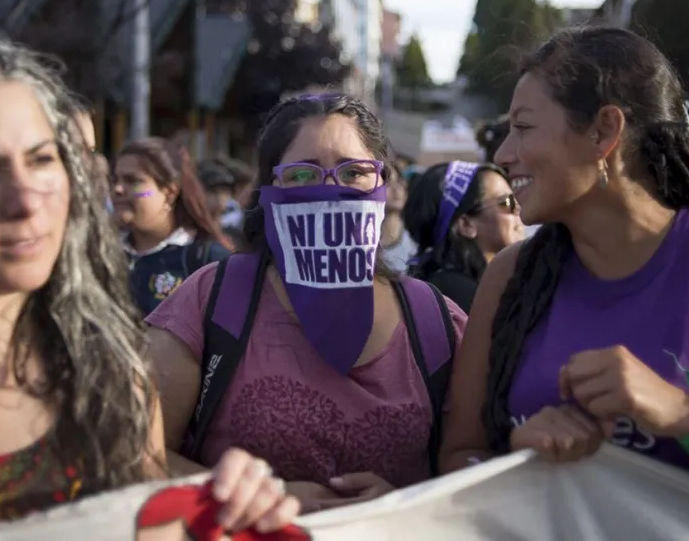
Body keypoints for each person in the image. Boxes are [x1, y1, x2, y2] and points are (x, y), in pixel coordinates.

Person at [0, 22, 299, 538]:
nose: (26, 200)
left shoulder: (110, 376)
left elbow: (141, 525)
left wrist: (219, 508)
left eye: (41, 160)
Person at [439, 27, 689, 527]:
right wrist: (518, 455)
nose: (504, 154)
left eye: (524, 127)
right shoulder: (509, 278)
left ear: (604, 131)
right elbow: (456, 461)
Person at [146, 93, 468, 514]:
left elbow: (473, 472)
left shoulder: (437, 322)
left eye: (353, 172)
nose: (330, 190)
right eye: (303, 174)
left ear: (383, 186)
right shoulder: (211, 299)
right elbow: (140, 456)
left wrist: (405, 504)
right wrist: (248, 498)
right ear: (268, 189)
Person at [113, 138, 233, 316]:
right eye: (115, 179)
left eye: (133, 181)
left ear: (169, 192)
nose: (118, 189)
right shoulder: (103, 253)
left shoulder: (207, 260)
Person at [403, 161, 524, 312]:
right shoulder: (457, 293)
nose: (518, 208)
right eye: (507, 202)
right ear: (466, 225)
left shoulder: (478, 284)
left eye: (517, 197)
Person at [379, 173, 417, 274]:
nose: (396, 190)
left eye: (400, 182)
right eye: (387, 184)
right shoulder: (361, 239)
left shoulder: (415, 239)